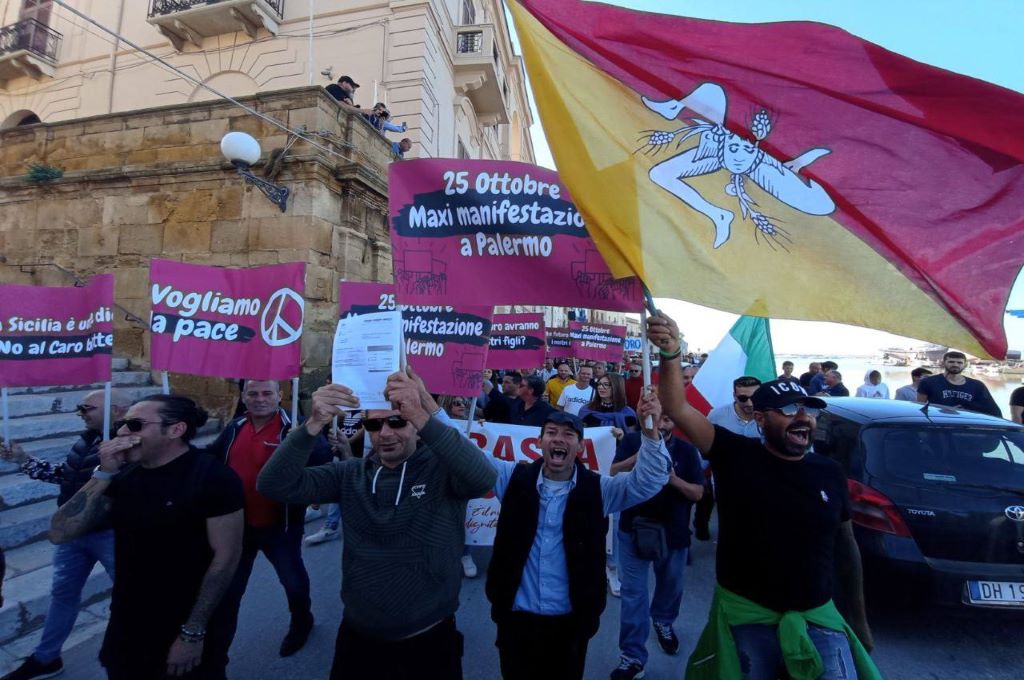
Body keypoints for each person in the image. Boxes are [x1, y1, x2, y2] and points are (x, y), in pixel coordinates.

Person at [647, 312, 879, 680]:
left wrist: (859, 621)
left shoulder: (830, 472)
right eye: (787, 410)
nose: (802, 417)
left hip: (820, 619)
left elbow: (846, 548)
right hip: (747, 619)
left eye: (808, 409)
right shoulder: (734, 454)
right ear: (760, 420)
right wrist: (671, 352)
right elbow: (677, 407)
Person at [256, 369, 497, 679]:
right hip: (359, 636)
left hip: (429, 637)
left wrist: (422, 413)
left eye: (397, 421)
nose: (385, 433)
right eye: (374, 424)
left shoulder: (442, 471)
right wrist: (312, 424)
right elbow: (273, 485)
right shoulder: (349, 475)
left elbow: (483, 478)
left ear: (416, 426)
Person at [49, 395, 245, 680]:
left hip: (186, 623)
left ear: (175, 430)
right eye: (122, 424)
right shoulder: (124, 476)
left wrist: (192, 633)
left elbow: (226, 559)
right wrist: (103, 473)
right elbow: (60, 531)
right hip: (128, 623)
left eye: (135, 425)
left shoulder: (213, 478)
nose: (122, 432)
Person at [485, 400, 672, 680]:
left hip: (571, 625)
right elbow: (465, 456)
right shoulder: (512, 478)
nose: (559, 439)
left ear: (580, 446)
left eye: (569, 434)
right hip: (515, 621)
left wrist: (649, 431)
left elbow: (649, 480)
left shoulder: (600, 490)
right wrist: (427, 411)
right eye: (550, 432)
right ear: (539, 442)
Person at [0, 390, 131, 680]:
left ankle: (142, 656)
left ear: (118, 410)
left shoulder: (132, 445)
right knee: (63, 595)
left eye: (87, 407)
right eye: (78, 407)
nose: (80, 412)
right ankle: (47, 658)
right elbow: (66, 475)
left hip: (111, 534)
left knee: (130, 598)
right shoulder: (86, 440)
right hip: (74, 531)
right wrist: (24, 460)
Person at [203, 381, 332, 659]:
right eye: (253, 393)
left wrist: (312, 438)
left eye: (266, 393)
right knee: (228, 591)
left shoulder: (296, 428)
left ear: (280, 395)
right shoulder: (235, 427)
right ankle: (216, 653)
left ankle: (302, 621)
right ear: (243, 396)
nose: (259, 399)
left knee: (293, 581)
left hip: (280, 527)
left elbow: (323, 462)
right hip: (237, 528)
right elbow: (211, 457)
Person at [609, 411, 705, 680]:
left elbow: (698, 493)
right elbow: (613, 472)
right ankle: (632, 657)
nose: (659, 424)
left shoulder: (686, 451)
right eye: (653, 419)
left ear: (674, 422)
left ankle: (663, 621)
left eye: (666, 419)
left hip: (673, 532)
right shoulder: (630, 442)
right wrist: (637, 459)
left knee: (671, 584)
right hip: (634, 529)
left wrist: (672, 478)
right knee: (633, 594)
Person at [917, 351, 1002, 417]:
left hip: (966, 426)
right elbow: (918, 409)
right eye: (951, 362)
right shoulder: (928, 382)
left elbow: (993, 411)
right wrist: (944, 410)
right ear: (943, 363)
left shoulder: (977, 385)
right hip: (938, 424)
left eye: (959, 362)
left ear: (965, 365)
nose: (955, 365)